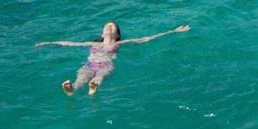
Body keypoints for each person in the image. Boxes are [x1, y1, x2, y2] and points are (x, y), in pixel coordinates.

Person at [36, 20, 191, 96]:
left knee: (99, 77)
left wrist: (173, 31)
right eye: (107, 26)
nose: (109, 27)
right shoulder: (91, 43)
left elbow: (147, 38)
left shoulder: (121, 43)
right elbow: (69, 43)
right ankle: (72, 89)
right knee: (80, 79)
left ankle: (93, 88)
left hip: (106, 65)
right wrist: (48, 43)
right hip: (90, 64)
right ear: (102, 33)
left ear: (117, 35)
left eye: (112, 27)